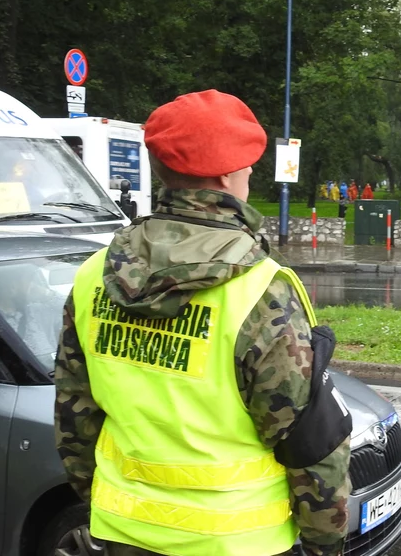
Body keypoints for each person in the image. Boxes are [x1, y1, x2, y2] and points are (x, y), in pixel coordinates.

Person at [54, 90, 352, 556]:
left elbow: (74, 418)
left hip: (123, 533)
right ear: (227, 175)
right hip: (240, 541)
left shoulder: (95, 275)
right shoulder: (261, 289)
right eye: (248, 165)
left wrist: (102, 502)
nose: (251, 173)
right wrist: (324, 544)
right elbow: (309, 441)